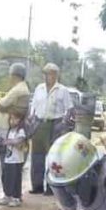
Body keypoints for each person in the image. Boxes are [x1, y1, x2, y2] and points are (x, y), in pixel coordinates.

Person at [28, 63, 73, 195]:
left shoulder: (62, 90)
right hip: (39, 123)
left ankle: (51, 187)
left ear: (56, 75)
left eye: (51, 73)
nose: (48, 76)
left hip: (55, 124)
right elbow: (34, 105)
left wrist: (63, 124)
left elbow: (69, 109)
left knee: (53, 157)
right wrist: (31, 118)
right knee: (37, 157)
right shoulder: (39, 88)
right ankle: (37, 186)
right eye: (46, 73)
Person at [0, 63, 31, 199]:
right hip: (14, 129)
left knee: (8, 166)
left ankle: (9, 195)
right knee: (14, 167)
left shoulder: (17, 90)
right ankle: (12, 194)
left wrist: (7, 109)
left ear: (14, 75)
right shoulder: (24, 89)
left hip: (6, 129)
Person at [0, 114, 28, 207]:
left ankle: (16, 197)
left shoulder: (21, 131)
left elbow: (19, 141)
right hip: (8, 159)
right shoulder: (10, 130)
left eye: (15, 119)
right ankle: (7, 195)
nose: (12, 121)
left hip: (17, 159)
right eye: (11, 119)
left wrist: (8, 142)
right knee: (7, 178)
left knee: (16, 179)